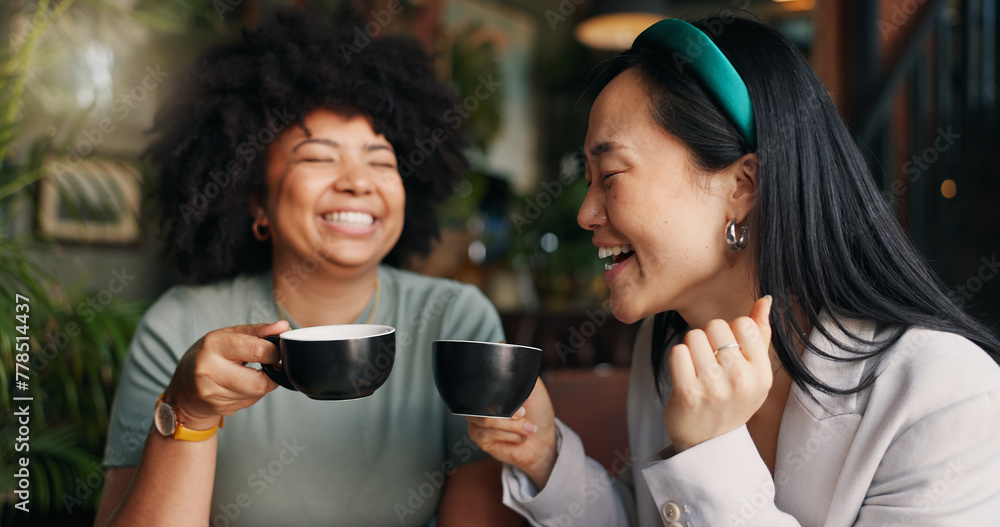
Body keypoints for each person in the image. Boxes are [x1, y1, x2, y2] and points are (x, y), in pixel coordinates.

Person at [467, 16, 1000, 526]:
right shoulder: (670, 346)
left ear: (742, 186)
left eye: (610, 174)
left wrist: (709, 451)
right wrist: (545, 455)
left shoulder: (944, 397)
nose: (586, 213)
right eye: (589, 179)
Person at [94, 6, 522, 527]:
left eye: (381, 161)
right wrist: (190, 411)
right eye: (319, 158)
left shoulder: (457, 320)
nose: (357, 182)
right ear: (256, 200)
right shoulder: (179, 324)